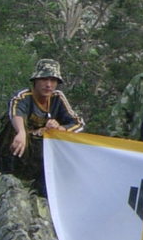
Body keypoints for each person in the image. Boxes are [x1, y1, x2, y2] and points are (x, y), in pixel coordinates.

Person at [5, 58, 85, 195]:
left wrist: (60, 129)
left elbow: (78, 123)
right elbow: (16, 113)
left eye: (53, 81)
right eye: (44, 80)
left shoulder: (57, 98)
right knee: (16, 136)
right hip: (16, 151)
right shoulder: (23, 97)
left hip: (43, 153)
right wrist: (21, 132)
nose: (48, 85)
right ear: (35, 81)